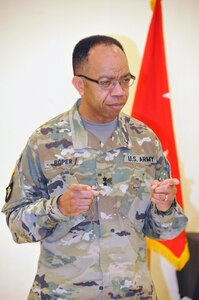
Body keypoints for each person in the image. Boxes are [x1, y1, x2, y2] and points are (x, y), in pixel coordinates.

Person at [2, 35, 188, 300]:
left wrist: (164, 207)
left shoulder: (145, 141)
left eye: (125, 79)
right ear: (80, 84)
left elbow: (164, 231)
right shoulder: (44, 142)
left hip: (133, 294)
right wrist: (58, 207)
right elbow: (16, 226)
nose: (120, 91)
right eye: (106, 82)